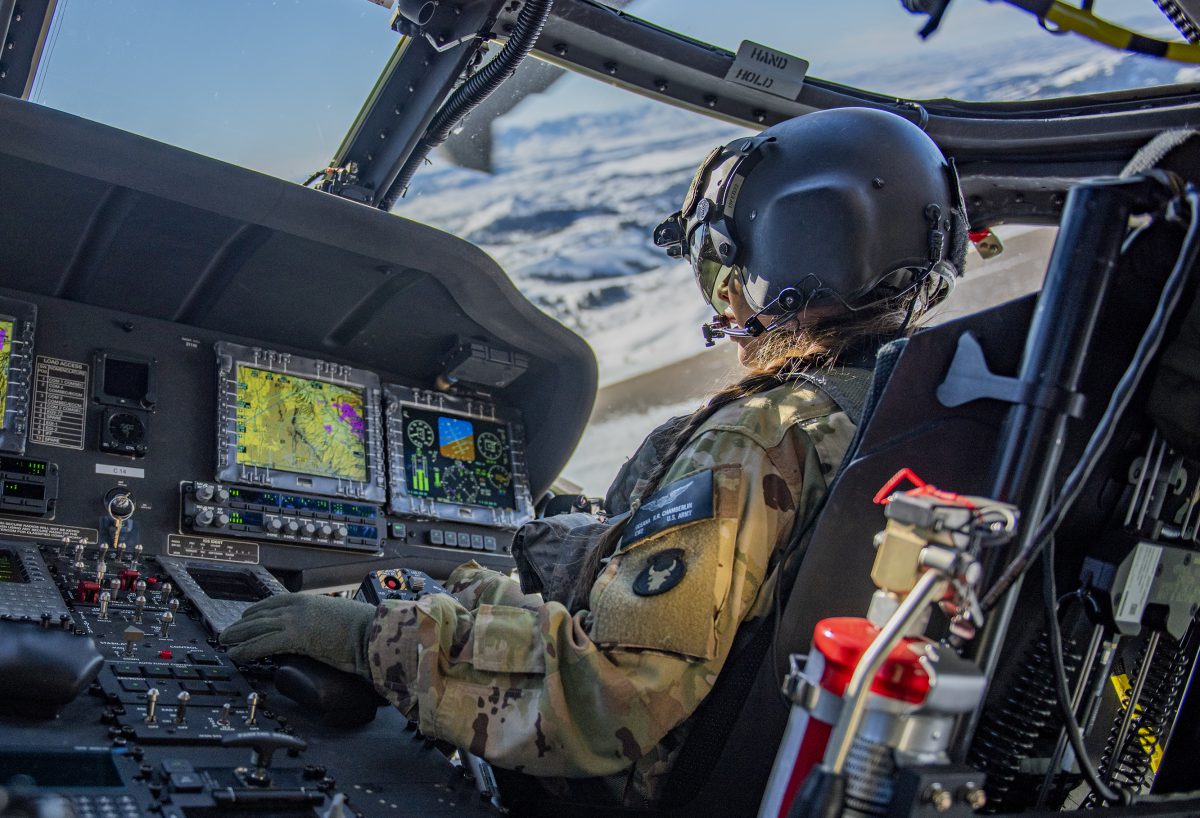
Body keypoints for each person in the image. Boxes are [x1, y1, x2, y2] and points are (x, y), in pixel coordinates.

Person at [220, 106, 969, 808]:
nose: (728, 300)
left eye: (725, 263)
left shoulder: (762, 437)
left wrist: (365, 639)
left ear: (796, 250)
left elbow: (609, 694)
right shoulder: (918, 413)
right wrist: (474, 597)